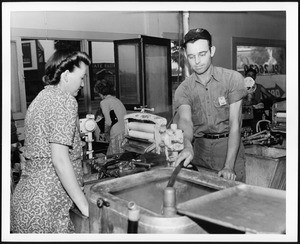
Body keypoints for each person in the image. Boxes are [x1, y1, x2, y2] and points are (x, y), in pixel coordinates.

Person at [11, 50, 91, 233]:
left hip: (28, 205)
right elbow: (60, 160)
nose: (83, 84)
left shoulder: (42, 97)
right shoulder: (65, 100)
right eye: (81, 77)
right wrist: (85, 207)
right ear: (65, 75)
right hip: (48, 208)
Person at [174, 28, 248, 182]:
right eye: (192, 56)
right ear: (186, 57)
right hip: (199, 150)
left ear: (211, 51)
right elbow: (185, 121)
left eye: (202, 54)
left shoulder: (232, 79)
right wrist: (187, 145)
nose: (197, 61)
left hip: (228, 148)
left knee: (233, 201)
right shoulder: (183, 89)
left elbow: (236, 124)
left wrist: (229, 166)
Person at [94, 79, 127, 155]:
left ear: (100, 93)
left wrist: (104, 132)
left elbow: (108, 122)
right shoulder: (116, 100)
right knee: (120, 157)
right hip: (124, 132)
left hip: (116, 134)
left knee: (112, 159)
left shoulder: (104, 102)